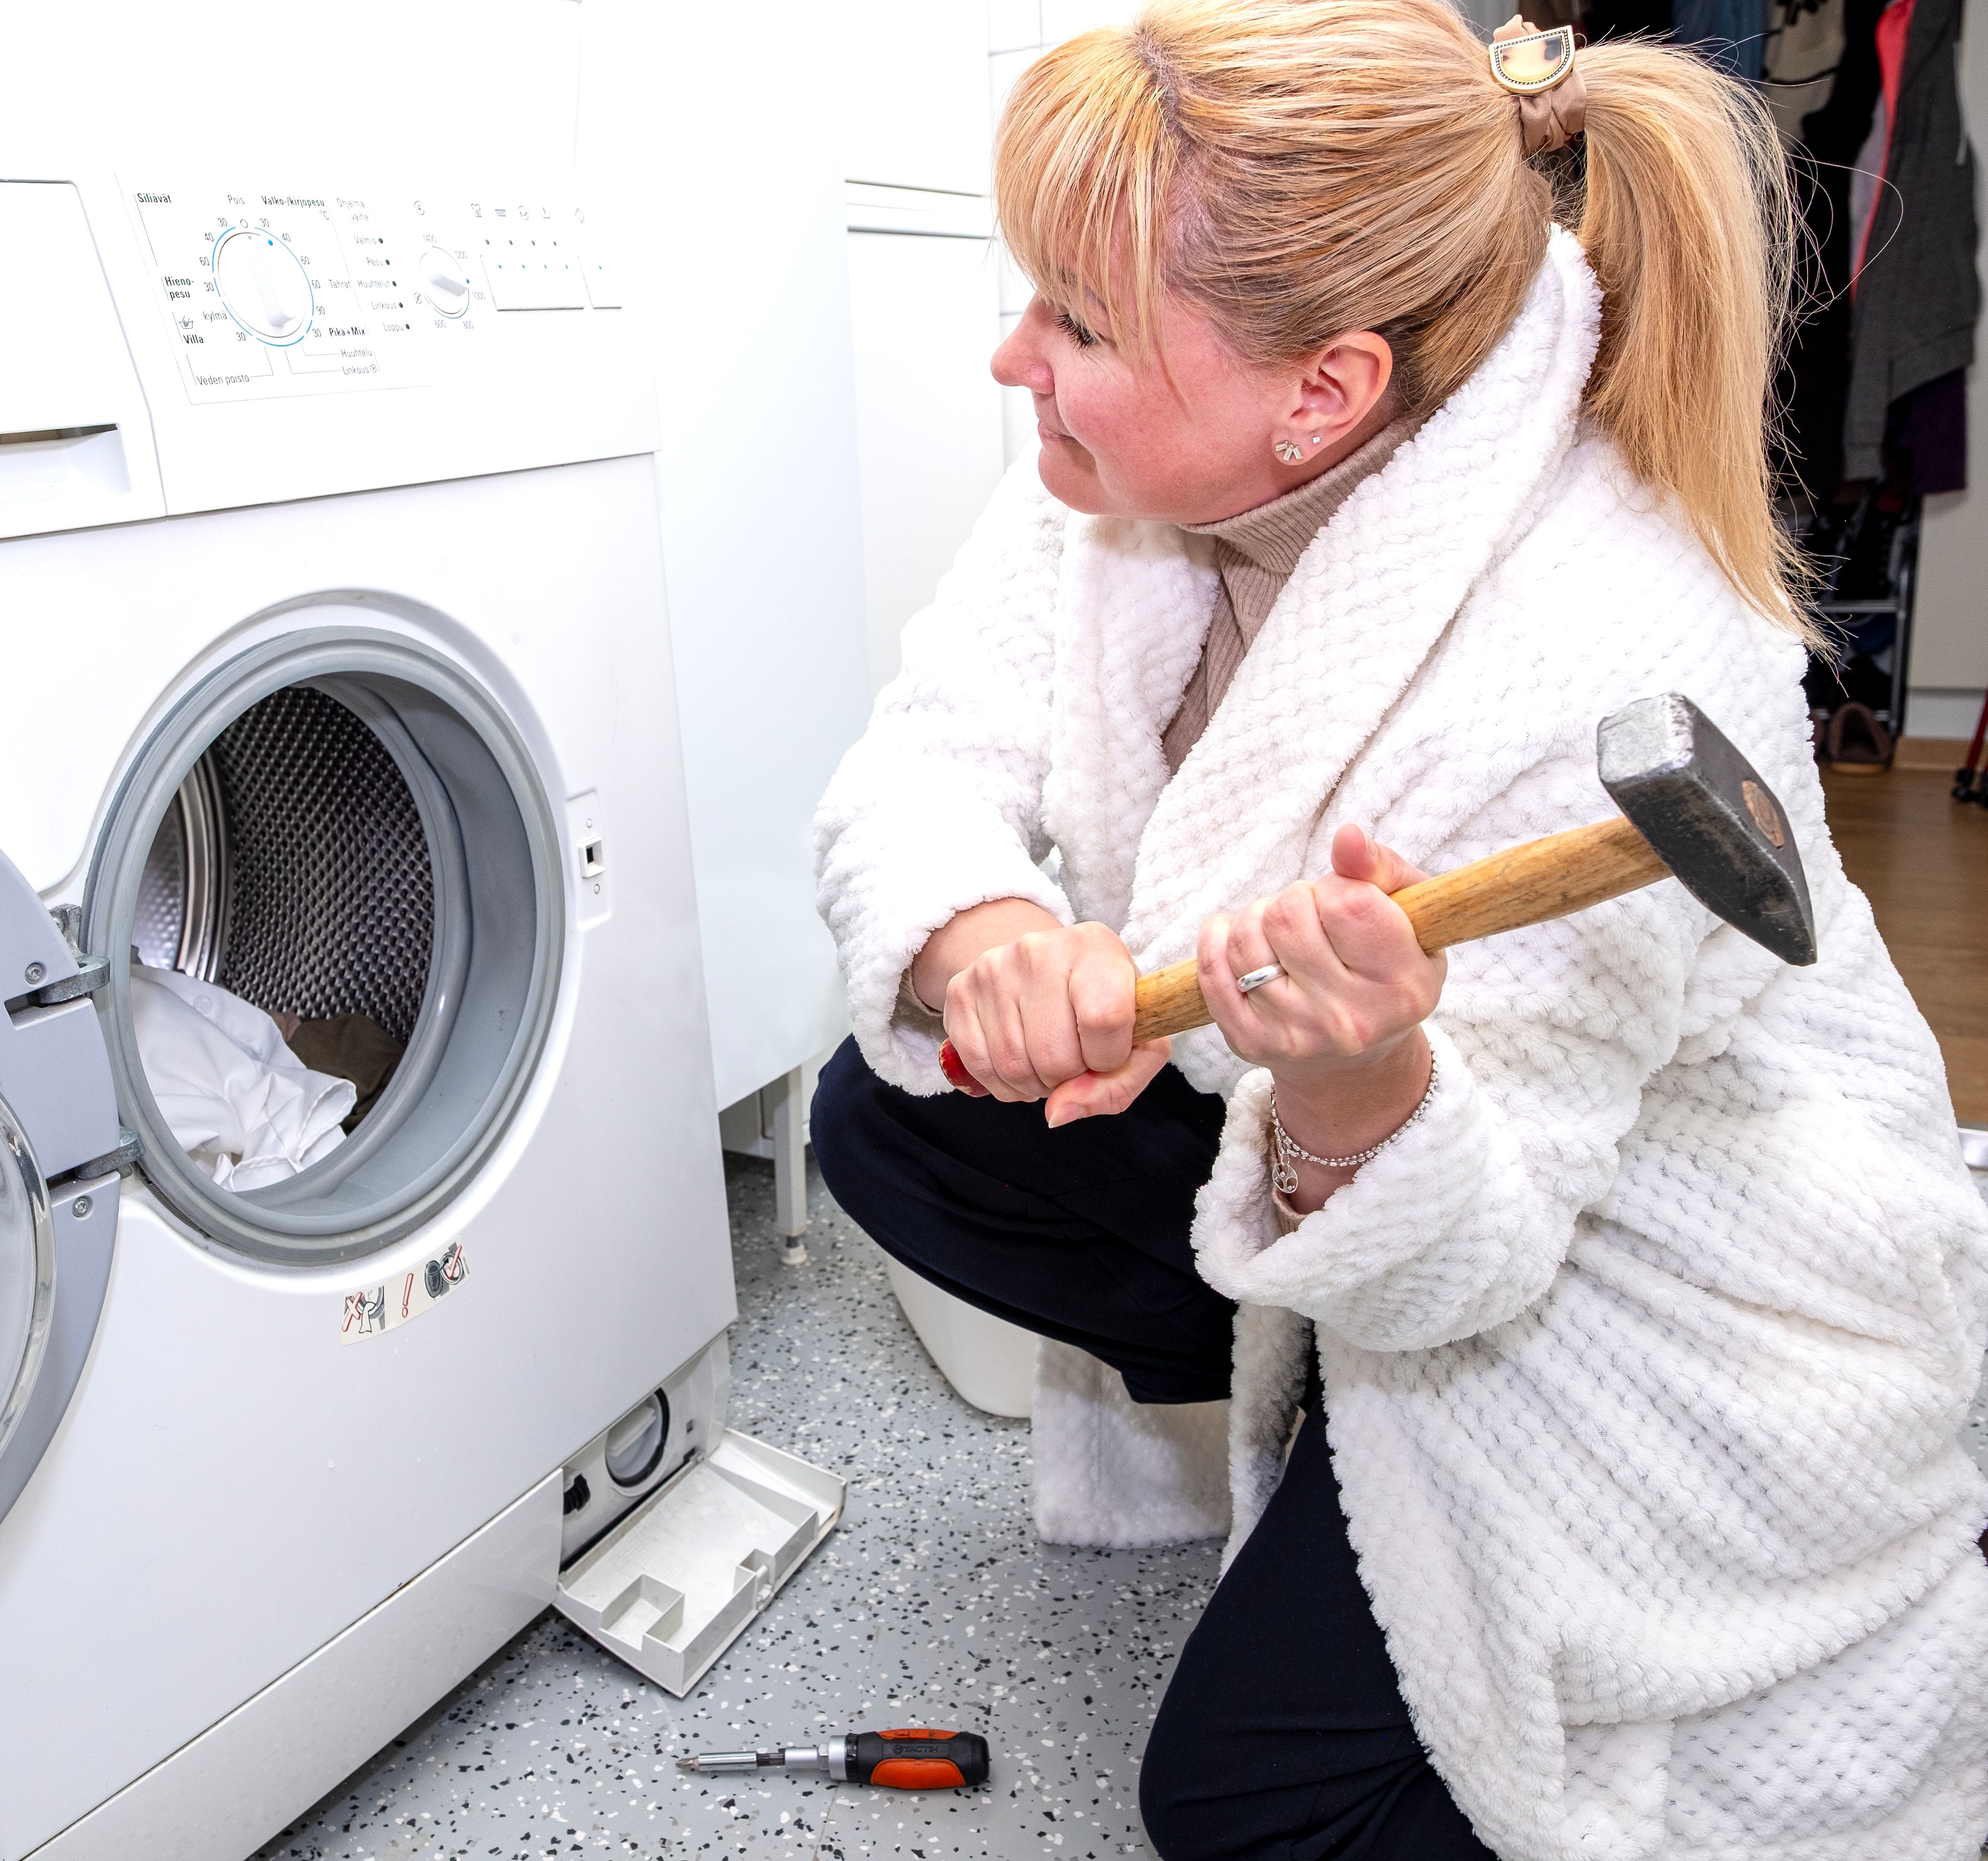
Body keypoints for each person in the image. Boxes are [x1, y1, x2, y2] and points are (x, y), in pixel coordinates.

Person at [807, 6, 1988, 1858]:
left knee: (1251, 1809)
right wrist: (989, 943)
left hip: (1642, 1263)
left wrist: (1356, 1091)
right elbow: (923, 761)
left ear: (1323, 394)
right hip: (1376, 1143)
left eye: (1081, 325)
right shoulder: (1117, 475)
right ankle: (1309, 1412)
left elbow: (1485, 1251)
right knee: (889, 1114)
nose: (1011, 355)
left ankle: (1403, 1453)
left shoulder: (1605, 643)